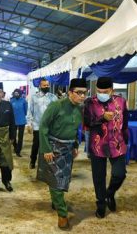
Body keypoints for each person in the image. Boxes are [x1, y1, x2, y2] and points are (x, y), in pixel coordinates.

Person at [37, 78, 87, 230]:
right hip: (52, 148)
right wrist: (46, 149)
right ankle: (62, 214)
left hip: (68, 150)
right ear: (70, 92)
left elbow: (75, 129)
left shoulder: (79, 108)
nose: (82, 96)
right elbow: (43, 126)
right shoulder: (56, 106)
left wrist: (75, 145)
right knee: (57, 181)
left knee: (63, 179)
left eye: (85, 93)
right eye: (79, 93)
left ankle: (56, 200)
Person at [83, 77, 128, 219]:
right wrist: (102, 118)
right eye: (99, 91)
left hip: (117, 144)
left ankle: (110, 193)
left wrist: (126, 140)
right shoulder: (90, 103)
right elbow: (86, 123)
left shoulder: (121, 101)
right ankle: (101, 204)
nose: (101, 93)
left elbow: (125, 122)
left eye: (105, 91)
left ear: (112, 90)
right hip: (98, 146)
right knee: (98, 177)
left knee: (120, 174)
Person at [27, 78, 58, 169]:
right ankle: (33, 161)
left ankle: (47, 162)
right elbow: (30, 111)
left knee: (49, 144)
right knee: (36, 144)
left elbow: (57, 112)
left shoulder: (53, 97)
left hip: (50, 126)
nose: (46, 87)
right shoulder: (34, 97)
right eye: (44, 85)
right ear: (40, 86)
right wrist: (29, 124)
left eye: (47, 85)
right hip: (38, 126)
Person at [10, 89, 28, 157]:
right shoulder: (11, 101)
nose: (16, 95)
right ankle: (15, 147)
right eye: (15, 93)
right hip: (13, 121)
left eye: (17, 93)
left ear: (20, 94)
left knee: (20, 137)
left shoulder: (24, 101)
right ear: (13, 94)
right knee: (13, 136)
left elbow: (26, 111)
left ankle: (18, 150)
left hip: (22, 121)